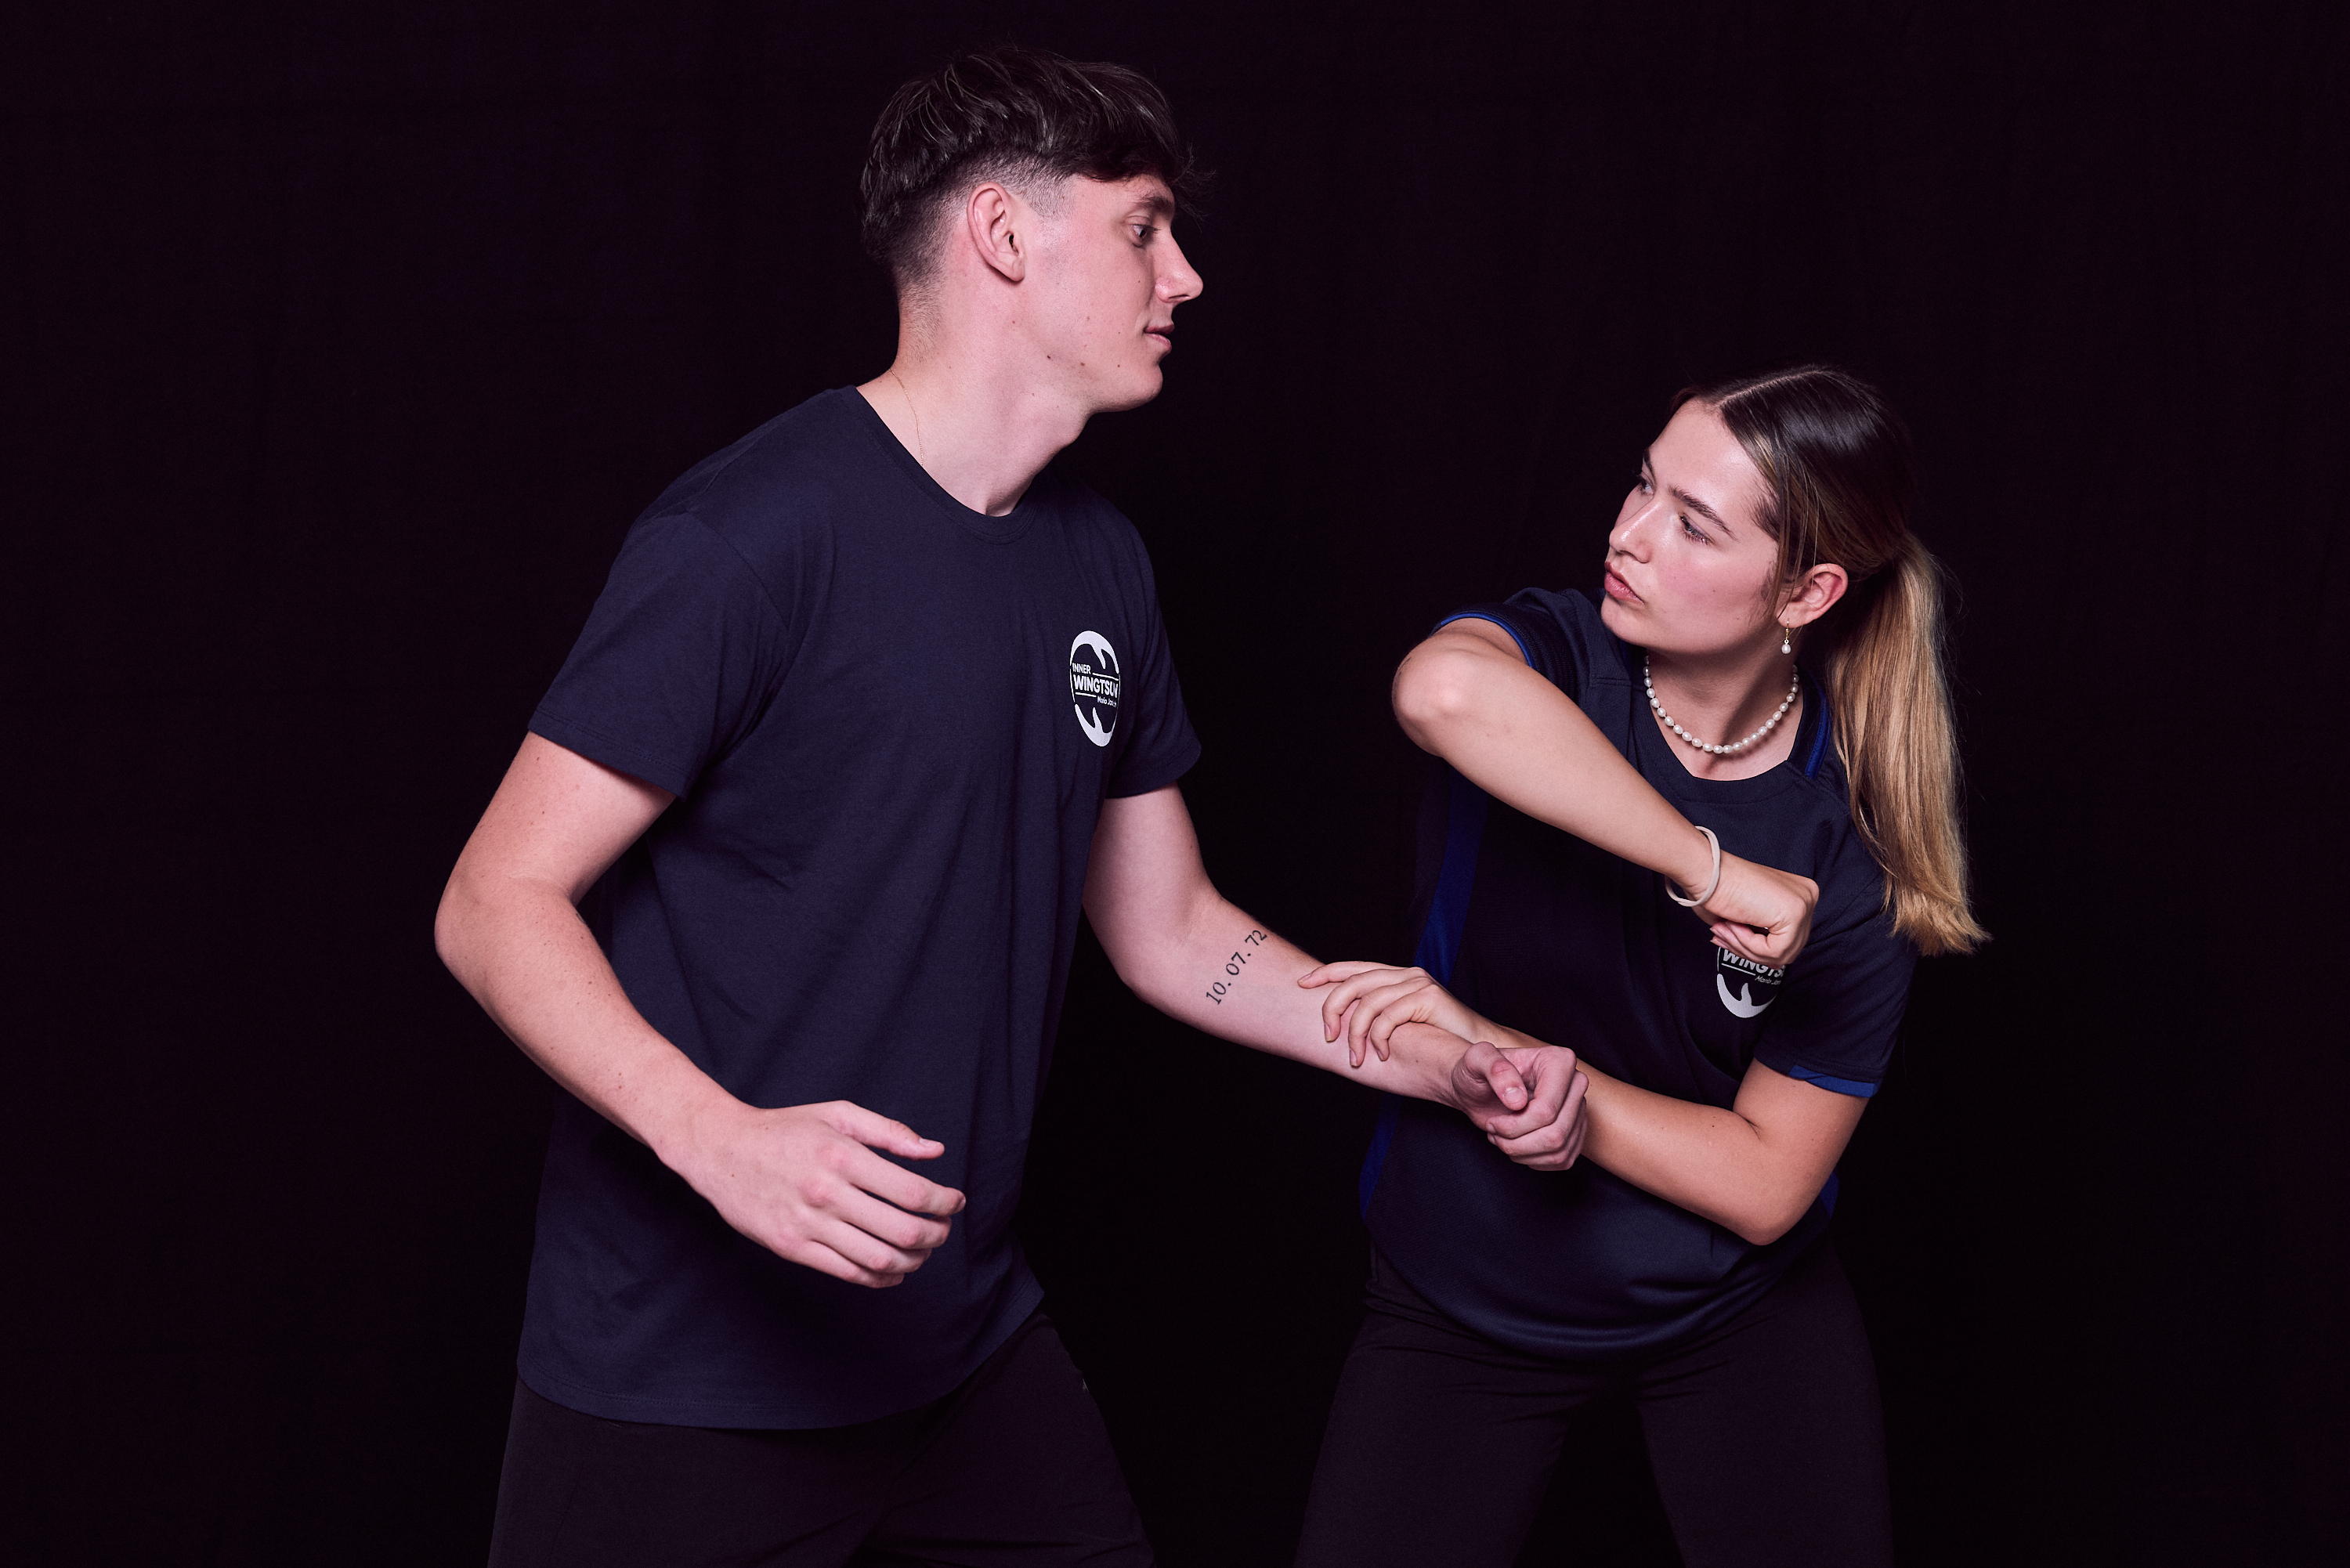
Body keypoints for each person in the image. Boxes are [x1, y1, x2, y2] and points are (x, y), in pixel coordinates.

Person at [433, 47, 1614, 1567]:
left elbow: (1173, 933)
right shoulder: (752, 535)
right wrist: (716, 1138)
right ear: (1003, 233)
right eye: (1144, 228)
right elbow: (494, 901)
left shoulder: (1098, 560)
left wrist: (1453, 1059)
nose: (1184, 277)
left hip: (957, 1345)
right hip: (681, 1370)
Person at [1290, 365, 1985, 1568]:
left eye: (1694, 524)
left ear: (1807, 590)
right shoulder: (1558, 655)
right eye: (1643, 485)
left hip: (1730, 1309)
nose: (1631, 533)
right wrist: (1709, 871)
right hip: (1464, 1282)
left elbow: (1768, 1180)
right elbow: (1438, 689)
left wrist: (1498, 1053)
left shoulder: (1850, 837)